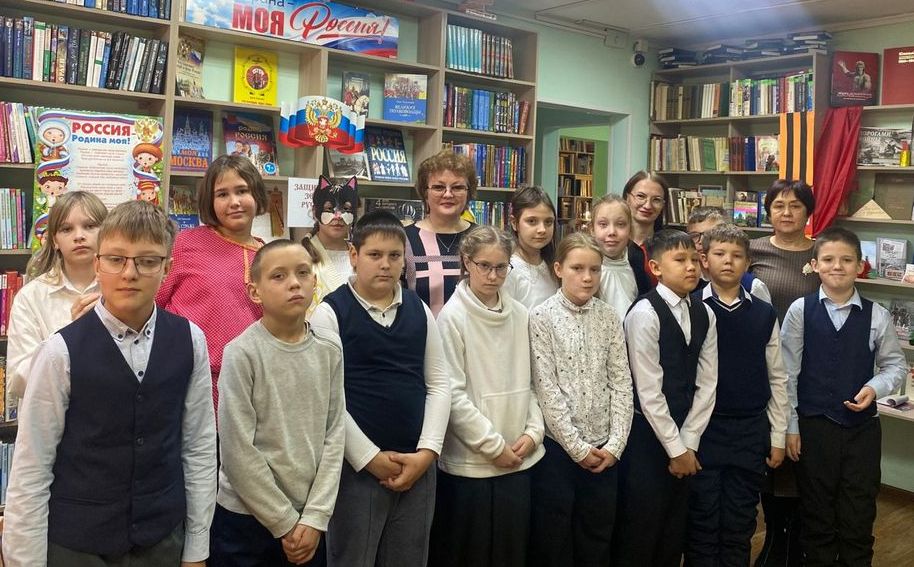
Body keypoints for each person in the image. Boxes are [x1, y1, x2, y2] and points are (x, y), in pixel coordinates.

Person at [2, 200, 217, 566]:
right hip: (77, 546)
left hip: (162, 540)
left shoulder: (190, 339)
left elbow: (198, 446)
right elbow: (32, 466)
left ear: (167, 267)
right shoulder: (59, 352)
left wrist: (197, 547)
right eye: (116, 259)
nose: (130, 273)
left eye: (147, 261)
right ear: (98, 264)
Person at [310, 210, 451, 567]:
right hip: (356, 470)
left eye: (394, 256)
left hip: (417, 466)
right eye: (374, 255)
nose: (385, 264)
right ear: (354, 255)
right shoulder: (330, 313)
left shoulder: (418, 308)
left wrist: (427, 452)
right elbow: (327, 401)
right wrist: (369, 459)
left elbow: (438, 384)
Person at [211, 240, 345, 566]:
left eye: (303, 273)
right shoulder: (241, 353)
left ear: (315, 281)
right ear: (254, 292)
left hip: (309, 517)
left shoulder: (329, 348)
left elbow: (334, 434)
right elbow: (237, 450)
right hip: (246, 519)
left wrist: (315, 516)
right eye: (279, 276)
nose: (294, 283)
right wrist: (284, 522)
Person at [781, 227, 906, 566]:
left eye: (846, 260)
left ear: (860, 266)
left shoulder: (877, 315)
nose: (837, 266)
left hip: (861, 432)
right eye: (828, 260)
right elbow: (787, 373)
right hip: (813, 428)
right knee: (816, 513)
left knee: (858, 513)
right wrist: (790, 426)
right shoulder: (800, 310)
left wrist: (874, 388)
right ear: (815, 265)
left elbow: (895, 366)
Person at [429, 226, 546, 567]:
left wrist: (533, 433)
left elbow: (533, 383)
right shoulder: (452, 317)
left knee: (513, 553)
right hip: (472, 465)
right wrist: (493, 446)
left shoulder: (521, 315)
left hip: (520, 457)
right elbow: (452, 394)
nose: (493, 276)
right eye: (484, 266)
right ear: (467, 263)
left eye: (501, 267)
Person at [686, 223, 789, 567]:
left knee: (740, 522)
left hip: (749, 431)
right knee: (702, 520)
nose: (728, 261)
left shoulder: (764, 313)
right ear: (704, 260)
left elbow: (777, 376)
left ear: (747, 263)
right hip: (705, 430)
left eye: (736, 256)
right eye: (719, 254)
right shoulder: (690, 308)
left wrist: (778, 435)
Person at [614, 229, 718, 567]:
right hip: (648, 435)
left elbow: (708, 382)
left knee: (674, 529)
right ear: (656, 268)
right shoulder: (644, 313)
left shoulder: (705, 312)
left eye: (694, 260)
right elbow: (648, 391)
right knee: (642, 526)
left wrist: (689, 442)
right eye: (680, 260)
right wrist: (676, 449)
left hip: (687, 433)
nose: (691, 267)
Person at [528, 232, 634, 567]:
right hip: (559, 450)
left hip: (604, 449)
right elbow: (546, 389)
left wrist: (615, 445)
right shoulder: (541, 317)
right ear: (559, 269)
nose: (587, 277)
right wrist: (577, 448)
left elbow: (621, 382)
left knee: (597, 535)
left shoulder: (609, 317)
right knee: (555, 538)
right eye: (577, 268)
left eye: (594, 269)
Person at [156, 154, 267, 411]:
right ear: (210, 200)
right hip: (188, 377)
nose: (234, 202)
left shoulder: (270, 256)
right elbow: (153, 301)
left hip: (250, 382)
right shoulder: (186, 244)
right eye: (222, 194)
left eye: (242, 191)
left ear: (256, 194)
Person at [748, 179, 820, 566]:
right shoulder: (753, 249)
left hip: (811, 369)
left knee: (801, 452)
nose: (786, 212)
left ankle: (796, 545)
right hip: (761, 367)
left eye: (795, 205)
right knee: (772, 453)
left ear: (808, 211)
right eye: (778, 205)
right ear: (768, 211)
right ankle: (776, 541)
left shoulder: (822, 252)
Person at [6, 191, 107, 401]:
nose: (79, 236)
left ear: (106, 234)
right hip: (52, 414)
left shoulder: (121, 289)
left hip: (108, 410)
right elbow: (18, 381)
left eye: (89, 226)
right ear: (54, 241)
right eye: (66, 229)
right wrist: (73, 337)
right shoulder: (31, 297)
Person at [403, 149, 476, 316]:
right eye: (438, 187)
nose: (448, 194)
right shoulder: (404, 239)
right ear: (425, 193)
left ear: (468, 193)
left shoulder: (483, 239)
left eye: (457, 187)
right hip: (422, 331)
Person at [300, 175, 358, 317]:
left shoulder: (361, 255)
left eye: (346, 209)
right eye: (329, 209)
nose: (338, 216)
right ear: (315, 211)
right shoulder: (301, 255)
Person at [688, 206, 772, 303]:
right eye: (694, 236)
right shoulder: (686, 279)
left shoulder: (752, 286)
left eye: (711, 234)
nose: (702, 241)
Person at [590, 194, 651, 316]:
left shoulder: (638, 261)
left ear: (630, 230)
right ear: (592, 229)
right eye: (603, 224)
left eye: (620, 224)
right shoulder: (585, 266)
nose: (612, 232)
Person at [502, 186, 559, 309]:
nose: (542, 230)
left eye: (548, 222)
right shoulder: (507, 269)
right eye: (532, 221)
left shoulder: (555, 265)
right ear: (514, 223)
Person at [622, 171, 669, 287]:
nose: (648, 205)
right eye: (641, 196)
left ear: (663, 205)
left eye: (656, 200)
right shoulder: (611, 243)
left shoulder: (669, 247)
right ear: (627, 198)